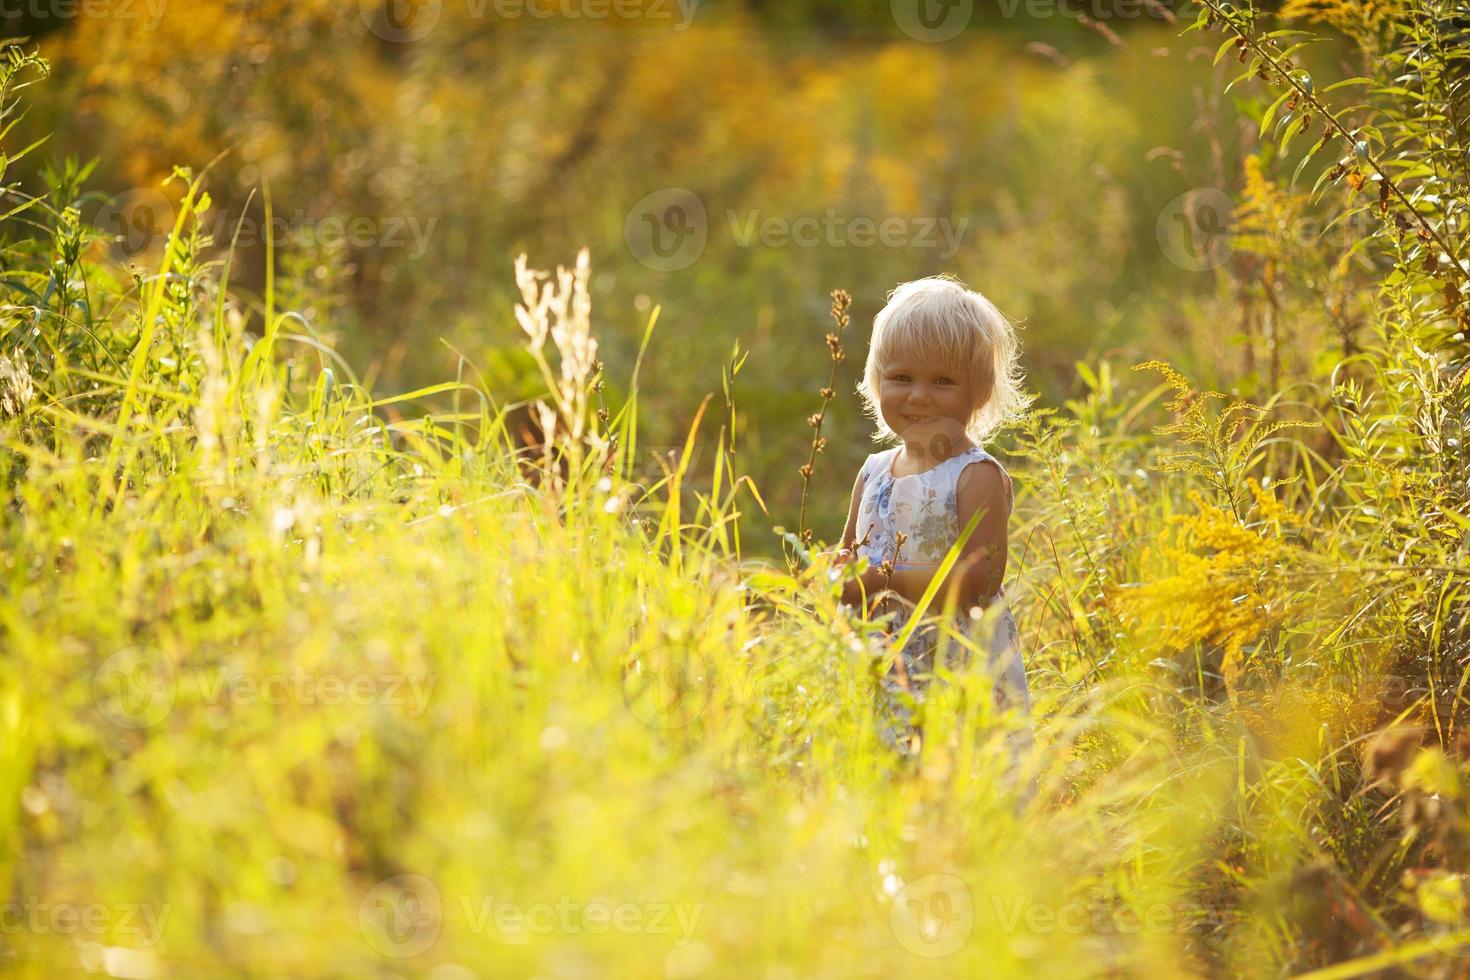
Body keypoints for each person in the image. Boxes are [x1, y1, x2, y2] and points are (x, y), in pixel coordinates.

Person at [824, 275, 1034, 758]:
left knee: (955, 772)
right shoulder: (874, 471)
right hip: (879, 656)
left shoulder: (974, 476)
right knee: (881, 774)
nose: (919, 396)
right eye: (901, 378)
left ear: (978, 392)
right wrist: (836, 574)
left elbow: (981, 579)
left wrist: (884, 580)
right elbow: (849, 552)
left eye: (942, 381)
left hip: (954, 662)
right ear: (877, 382)